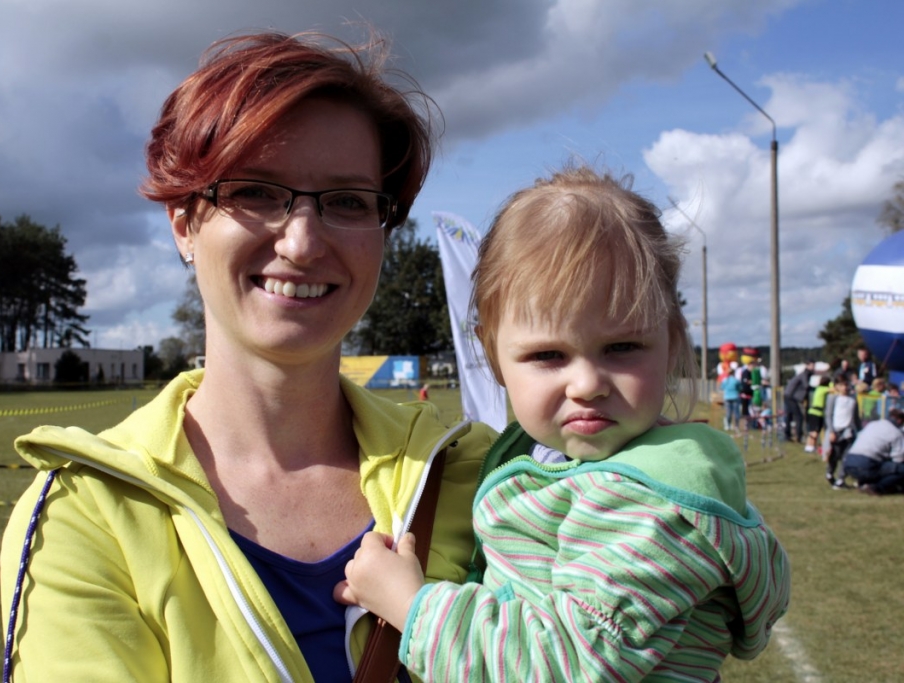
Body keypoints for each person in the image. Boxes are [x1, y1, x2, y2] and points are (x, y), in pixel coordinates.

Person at [0, 31, 496, 683]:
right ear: (184, 221)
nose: (303, 241)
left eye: (348, 201)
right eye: (257, 191)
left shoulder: (480, 474)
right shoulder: (85, 514)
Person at [334, 166, 790, 682]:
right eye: (548, 355)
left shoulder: (649, 502)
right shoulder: (542, 455)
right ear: (492, 355)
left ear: (672, 341)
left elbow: (563, 663)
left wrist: (409, 604)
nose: (587, 384)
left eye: (622, 347)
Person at [843, 408, 904, 495]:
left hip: (849, 463)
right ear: (900, 420)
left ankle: (863, 483)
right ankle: (877, 488)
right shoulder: (896, 433)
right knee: (899, 469)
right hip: (867, 465)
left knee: (882, 466)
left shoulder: (873, 424)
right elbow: (898, 460)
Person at [825, 376, 861, 489]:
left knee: (847, 457)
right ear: (837, 387)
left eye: (846, 385)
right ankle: (830, 473)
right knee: (835, 455)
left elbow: (856, 418)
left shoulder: (853, 399)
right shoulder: (833, 398)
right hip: (836, 431)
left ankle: (841, 479)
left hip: (848, 431)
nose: (844, 387)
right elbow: (828, 415)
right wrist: (831, 431)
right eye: (841, 385)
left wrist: (859, 432)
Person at [783, 360, 814, 442]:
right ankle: (798, 436)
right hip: (791, 397)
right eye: (811, 365)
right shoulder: (804, 375)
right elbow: (806, 386)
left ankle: (787, 435)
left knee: (789, 416)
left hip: (788, 395)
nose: (813, 367)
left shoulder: (805, 374)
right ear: (807, 365)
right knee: (799, 417)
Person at [805, 375, 832, 453]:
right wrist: (832, 383)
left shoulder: (819, 388)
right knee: (814, 431)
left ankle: (811, 446)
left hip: (819, 413)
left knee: (815, 431)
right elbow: (833, 388)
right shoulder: (822, 389)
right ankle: (810, 446)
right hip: (815, 412)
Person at [721, 365, 742, 432]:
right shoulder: (736, 380)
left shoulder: (725, 380)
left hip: (727, 397)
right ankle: (736, 426)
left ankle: (728, 425)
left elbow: (722, 387)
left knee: (728, 412)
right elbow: (740, 388)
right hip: (735, 397)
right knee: (736, 412)